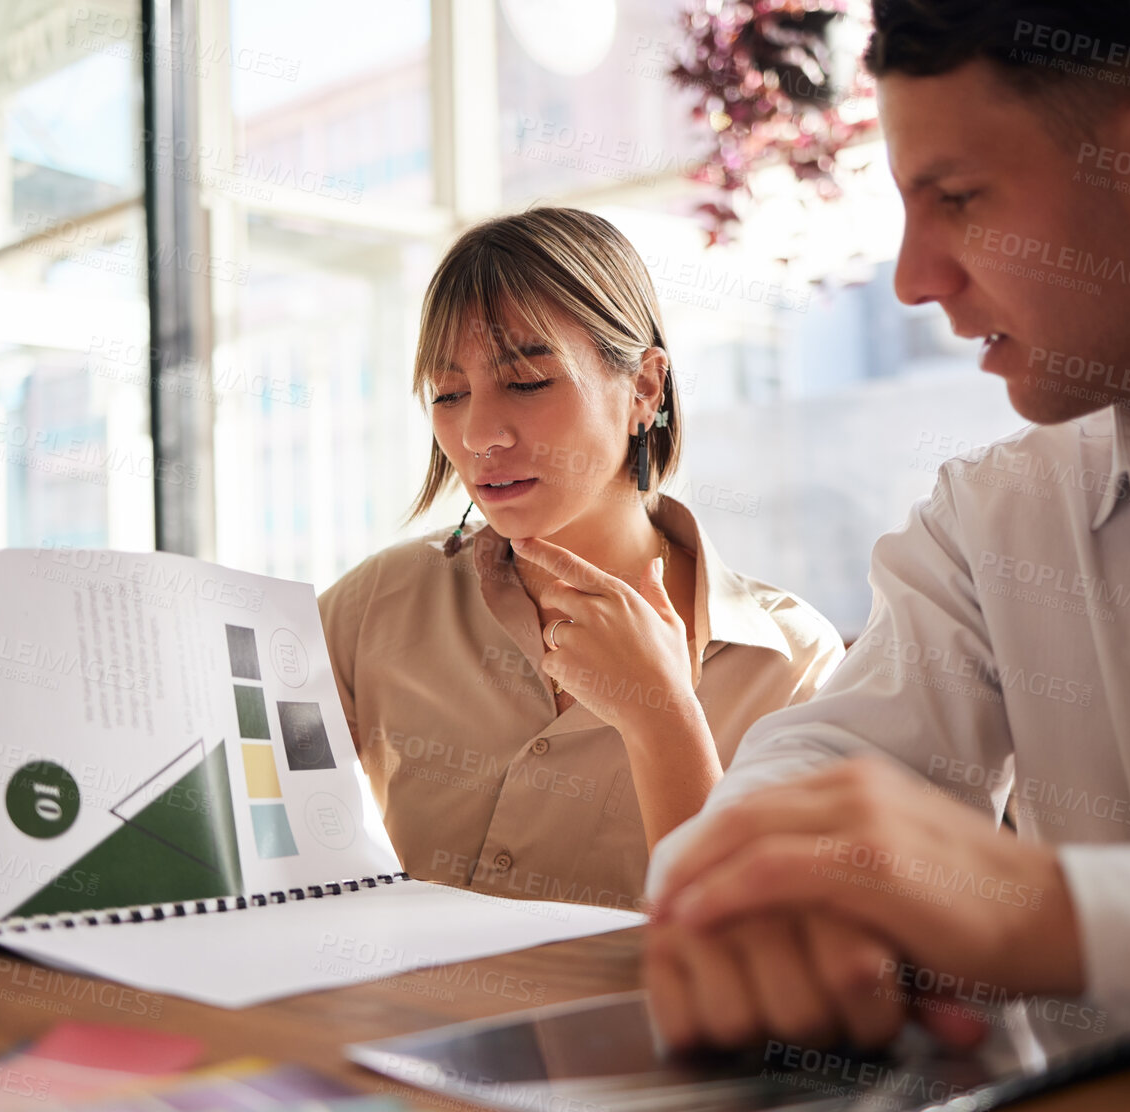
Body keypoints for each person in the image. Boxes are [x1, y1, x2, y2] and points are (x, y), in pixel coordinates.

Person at [643, 0, 1130, 1067]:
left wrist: (1052, 916)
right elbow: (825, 764)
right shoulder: (989, 521)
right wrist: (766, 896)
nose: (912, 281)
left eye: (955, 197)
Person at [320, 207, 843, 910]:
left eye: (528, 382)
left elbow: (776, 963)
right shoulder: (375, 605)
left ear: (644, 388)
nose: (477, 434)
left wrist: (661, 719)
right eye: (448, 394)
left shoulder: (789, 663)